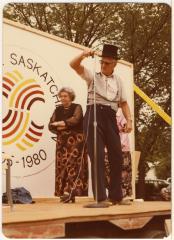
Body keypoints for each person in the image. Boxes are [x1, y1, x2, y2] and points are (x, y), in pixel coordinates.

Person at [70, 44, 132, 205]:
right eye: (102, 62)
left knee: (117, 155)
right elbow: (73, 65)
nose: (103, 65)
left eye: (107, 63)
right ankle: (100, 198)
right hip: (94, 114)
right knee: (96, 155)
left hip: (111, 116)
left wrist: (129, 121)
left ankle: (116, 196)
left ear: (114, 64)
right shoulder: (92, 76)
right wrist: (83, 54)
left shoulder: (118, 80)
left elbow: (124, 103)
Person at [48, 87, 88, 203]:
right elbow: (50, 125)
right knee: (62, 166)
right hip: (62, 142)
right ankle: (65, 193)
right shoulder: (58, 110)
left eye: (65, 96)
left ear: (70, 96)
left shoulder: (77, 107)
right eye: (61, 96)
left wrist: (62, 124)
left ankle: (70, 192)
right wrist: (65, 125)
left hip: (76, 140)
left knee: (73, 165)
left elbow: (75, 120)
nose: (63, 98)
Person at [105, 108, 132, 203]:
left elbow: (125, 129)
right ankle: (112, 195)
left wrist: (119, 143)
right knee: (108, 172)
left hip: (122, 146)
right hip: (107, 147)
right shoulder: (105, 111)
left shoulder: (121, 111)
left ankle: (123, 196)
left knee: (123, 172)